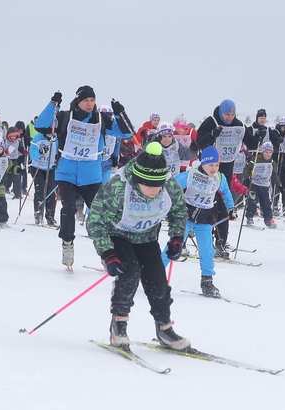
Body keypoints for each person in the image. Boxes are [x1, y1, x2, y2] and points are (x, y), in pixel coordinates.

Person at [87, 142, 189, 350]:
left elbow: (179, 210)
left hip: (146, 237)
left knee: (158, 279)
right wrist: (107, 252)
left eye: (157, 185)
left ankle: (164, 328)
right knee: (130, 271)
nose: (154, 190)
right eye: (149, 185)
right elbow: (95, 220)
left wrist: (177, 237)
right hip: (118, 236)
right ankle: (119, 325)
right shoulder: (118, 186)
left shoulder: (169, 186)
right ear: (138, 180)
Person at [34, 86, 133, 269]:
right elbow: (40, 125)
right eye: (86, 100)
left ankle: (107, 253)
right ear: (78, 101)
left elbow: (127, 133)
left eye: (92, 100)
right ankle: (67, 243)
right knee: (68, 208)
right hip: (66, 173)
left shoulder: (101, 120)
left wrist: (120, 113)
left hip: (91, 175)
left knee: (99, 215)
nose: (90, 104)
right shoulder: (65, 117)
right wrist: (53, 104)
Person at [161, 146, 235, 297]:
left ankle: (207, 281)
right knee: (174, 246)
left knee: (207, 251)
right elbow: (171, 186)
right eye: (210, 165)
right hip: (186, 217)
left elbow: (226, 192)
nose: (214, 168)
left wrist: (231, 208)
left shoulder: (219, 178)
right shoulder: (190, 175)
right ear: (203, 163)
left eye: (216, 165)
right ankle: (155, 275)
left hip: (205, 219)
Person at [195, 99, 248, 257]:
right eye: (226, 114)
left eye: (232, 114)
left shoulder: (238, 124)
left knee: (222, 207)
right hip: (207, 170)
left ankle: (221, 242)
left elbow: (249, 140)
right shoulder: (211, 121)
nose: (229, 117)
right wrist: (213, 134)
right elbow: (199, 142)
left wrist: (255, 137)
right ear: (221, 112)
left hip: (225, 170)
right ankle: (197, 240)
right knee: (206, 206)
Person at [28, 120, 58, 226]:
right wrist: (39, 154)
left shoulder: (56, 138)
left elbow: (58, 151)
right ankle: (38, 214)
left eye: (53, 131)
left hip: (50, 168)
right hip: (38, 167)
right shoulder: (38, 137)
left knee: (51, 192)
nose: (51, 133)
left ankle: (50, 217)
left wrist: (58, 159)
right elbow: (32, 151)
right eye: (49, 131)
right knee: (40, 191)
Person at [245, 142, 278, 228]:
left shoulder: (272, 162)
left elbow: (274, 174)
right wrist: (248, 177)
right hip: (254, 185)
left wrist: (278, 182)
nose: (268, 154)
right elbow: (248, 169)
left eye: (270, 152)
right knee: (252, 201)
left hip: (265, 186)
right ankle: (249, 217)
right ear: (262, 152)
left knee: (266, 203)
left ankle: (268, 219)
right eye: (266, 152)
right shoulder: (255, 159)